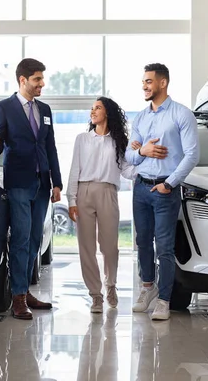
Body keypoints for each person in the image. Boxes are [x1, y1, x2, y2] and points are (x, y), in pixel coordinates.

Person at [0, 58, 63, 320]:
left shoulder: (45, 110)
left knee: (36, 239)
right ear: (22, 80)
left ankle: (25, 291)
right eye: (37, 79)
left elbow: (50, 147)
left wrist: (57, 182)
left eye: (42, 79)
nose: (42, 84)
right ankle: (17, 298)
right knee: (21, 239)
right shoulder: (3, 107)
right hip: (18, 183)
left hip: (42, 184)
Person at [125, 63, 199, 321]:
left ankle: (164, 301)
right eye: (143, 82)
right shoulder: (141, 117)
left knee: (164, 247)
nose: (144, 86)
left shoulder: (182, 114)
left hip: (165, 189)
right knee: (142, 242)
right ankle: (148, 288)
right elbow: (129, 155)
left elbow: (192, 155)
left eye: (148, 81)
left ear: (163, 83)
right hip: (141, 187)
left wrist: (169, 183)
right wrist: (141, 151)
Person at [66, 97, 136, 313]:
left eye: (98, 108)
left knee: (109, 246)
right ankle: (95, 295)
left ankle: (111, 285)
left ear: (108, 113)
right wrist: (71, 200)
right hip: (84, 191)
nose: (93, 111)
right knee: (86, 247)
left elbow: (127, 170)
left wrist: (145, 161)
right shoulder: (82, 139)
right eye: (92, 108)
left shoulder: (119, 141)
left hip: (108, 191)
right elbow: (74, 169)